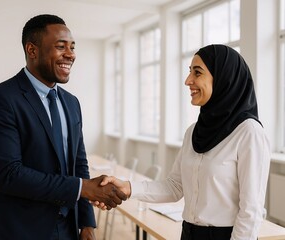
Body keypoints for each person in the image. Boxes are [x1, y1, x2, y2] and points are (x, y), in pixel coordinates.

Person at [96, 44, 271, 240]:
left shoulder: (249, 132)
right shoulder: (193, 132)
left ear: (224, 78)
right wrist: (127, 187)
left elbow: (251, 211)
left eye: (197, 73)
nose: (188, 81)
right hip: (189, 233)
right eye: (190, 72)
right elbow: (174, 186)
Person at [0, 14, 126, 240]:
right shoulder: (1, 99)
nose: (70, 54)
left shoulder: (71, 103)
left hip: (67, 228)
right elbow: (10, 175)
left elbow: (79, 164)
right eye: (61, 46)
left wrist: (87, 223)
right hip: (18, 229)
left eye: (72, 47)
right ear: (32, 50)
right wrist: (81, 188)